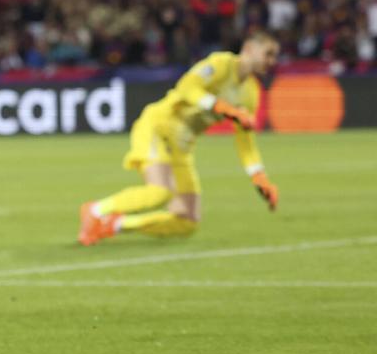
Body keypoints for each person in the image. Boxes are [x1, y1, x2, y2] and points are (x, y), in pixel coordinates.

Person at [78, 32, 281, 245]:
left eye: (274, 56)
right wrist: (221, 106)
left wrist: (259, 177)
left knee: (187, 221)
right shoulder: (221, 64)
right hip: (158, 127)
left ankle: (115, 225)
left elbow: (245, 141)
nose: (272, 61)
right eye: (268, 54)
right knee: (159, 192)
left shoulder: (251, 93)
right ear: (248, 48)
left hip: (182, 146)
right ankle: (96, 210)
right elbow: (186, 87)